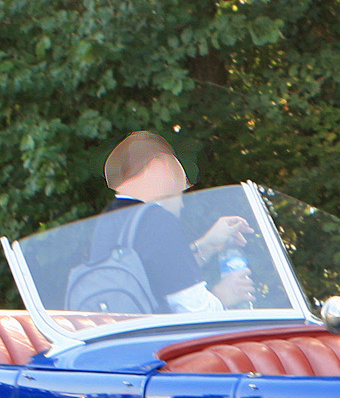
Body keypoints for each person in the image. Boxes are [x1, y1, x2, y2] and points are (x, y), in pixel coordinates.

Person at [94, 132, 255, 311]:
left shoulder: (109, 220)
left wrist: (205, 246)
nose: (181, 203)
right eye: (180, 187)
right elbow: (195, 312)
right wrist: (224, 294)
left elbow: (154, 276)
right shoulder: (157, 220)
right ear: (158, 167)